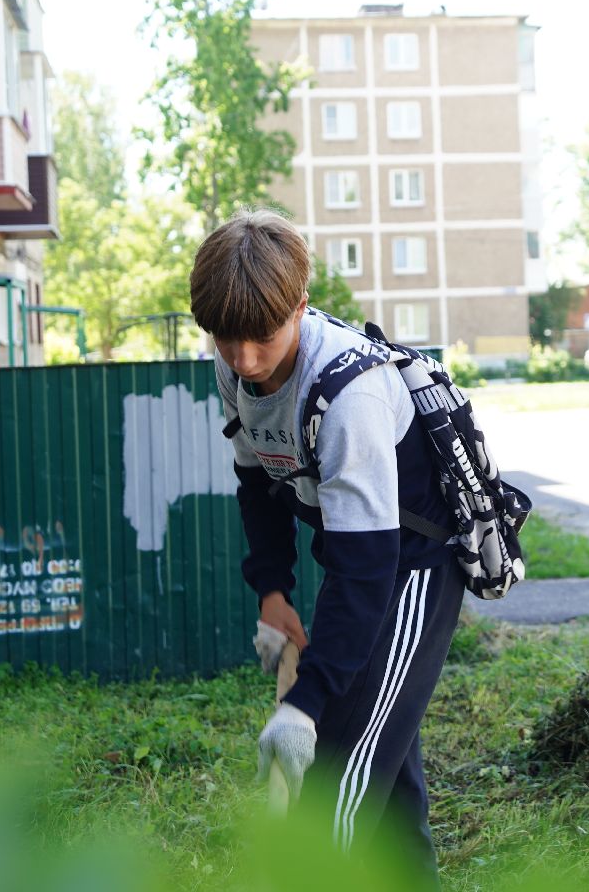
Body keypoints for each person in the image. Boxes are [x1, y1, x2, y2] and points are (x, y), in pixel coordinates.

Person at [191, 209, 462, 881]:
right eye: (225, 339)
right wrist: (272, 590)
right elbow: (257, 481)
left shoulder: (349, 395)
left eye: (260, 339)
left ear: (300, 307)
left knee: (335, 774)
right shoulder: (233, 366)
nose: (244, 361)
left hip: (412, 568)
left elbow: (366, 572)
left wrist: (303, 704)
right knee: (385, 769)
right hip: (357, 558)